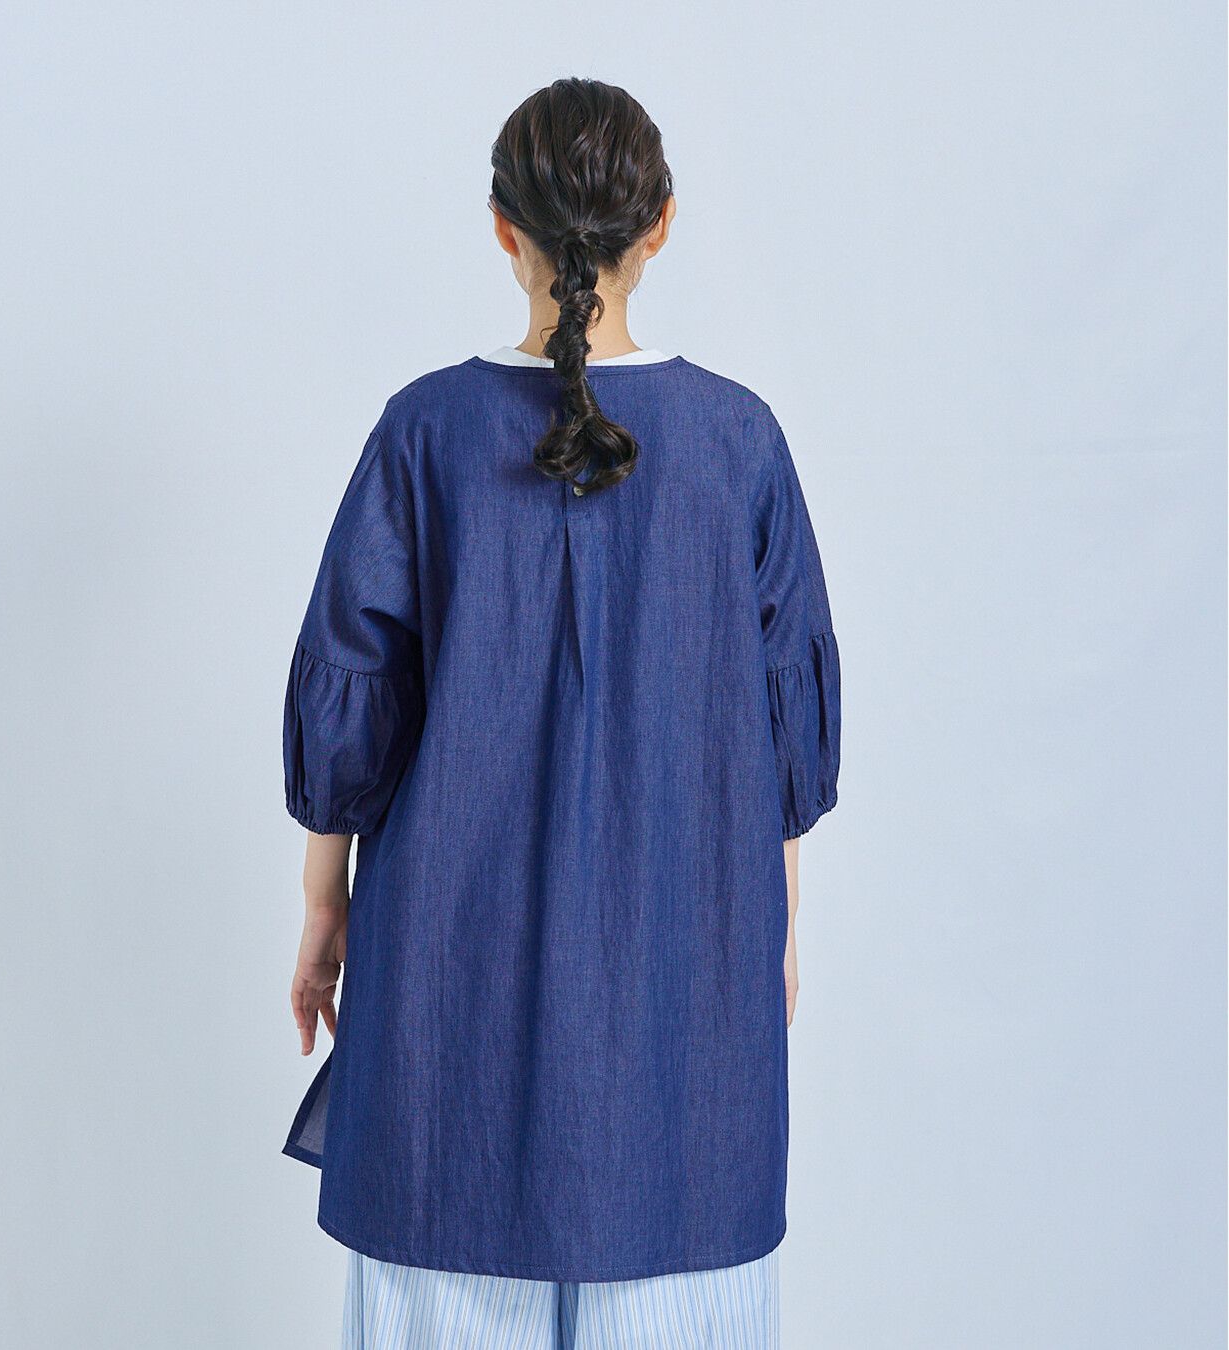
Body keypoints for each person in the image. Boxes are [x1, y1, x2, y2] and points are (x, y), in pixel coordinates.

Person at [281, 77, 841, 1349]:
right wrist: (775, 926)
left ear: (502, 228)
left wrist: (322, 914)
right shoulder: (738, 441)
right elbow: (782, 733)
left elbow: (353, 706)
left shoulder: (425, 433)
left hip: (449, 995)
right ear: (662, 225)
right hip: (687, 993)